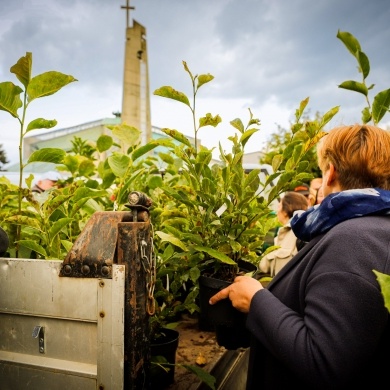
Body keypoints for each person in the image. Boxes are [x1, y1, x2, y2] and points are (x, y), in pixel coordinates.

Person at [209, 124, 390, 389]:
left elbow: (323, 362)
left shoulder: (353, 240)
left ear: (331, 173)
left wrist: (256, 300)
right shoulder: (373, 227)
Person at [259, 191, 308, 276]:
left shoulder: (298, 233)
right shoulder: (284, 231)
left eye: (279, 206)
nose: (277, 211)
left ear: (286, 210)